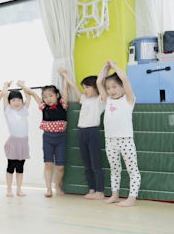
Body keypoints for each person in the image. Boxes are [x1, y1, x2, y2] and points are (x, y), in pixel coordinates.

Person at [97, 61, 140, 207]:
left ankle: (132, 197)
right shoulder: (107, 100)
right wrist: (104, 68)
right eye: (108, 88)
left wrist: (115, 66)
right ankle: (115, 194)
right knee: (114, 169)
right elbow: (98, 82)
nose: (111, 90)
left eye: (114, 86)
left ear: (122, 87)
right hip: (110, 140)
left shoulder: (129, 100)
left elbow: (126, 79)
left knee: (132, 169)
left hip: (126, 140)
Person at [60, 70, 105, 200]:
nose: (84, 90)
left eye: (87, 87)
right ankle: (91, 189)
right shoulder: (84, 99)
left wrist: (104, 72)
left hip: (93, 132)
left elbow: (100, 86)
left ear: (96, 88)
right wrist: (65, 76)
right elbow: (74, 86)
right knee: (87, 164)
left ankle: (100, 191)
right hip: (81, 131)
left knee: (96, 163)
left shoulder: (100, 100)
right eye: (84, 88)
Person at [24, 79, 68, 197]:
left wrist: (64, 76)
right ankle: (48, 189)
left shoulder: (63, 104)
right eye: (45, 97)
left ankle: (57, 186)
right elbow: (33, 94)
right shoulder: (43, 107)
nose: (48, 99)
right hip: (47, 138)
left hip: (60, 138)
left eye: (50, 95)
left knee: (60, 166)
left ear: (57, 95)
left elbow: (65, 90)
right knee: (48, 164)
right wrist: (22, 86)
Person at [2, 81, 31, 197]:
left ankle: (19, 189)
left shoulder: (24, 110)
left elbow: (29, 97)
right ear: (9, 102)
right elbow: (4, 95)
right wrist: (5, 86)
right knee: (11, 167)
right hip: (13, 142)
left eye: (19, 100)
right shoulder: (8, 111)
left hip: (24, 143)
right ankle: (9, 189)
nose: (16, 102)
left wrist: (23, 86)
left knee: (20, 167)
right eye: (13, 100)